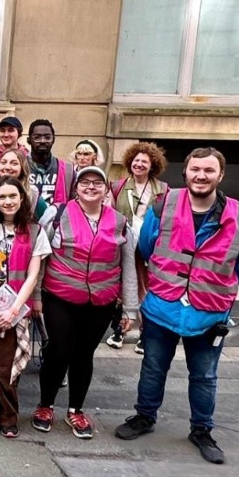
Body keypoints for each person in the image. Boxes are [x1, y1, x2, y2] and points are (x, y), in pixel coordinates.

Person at [115, 147, 239, 465]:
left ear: (220, 175)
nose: (201, 176)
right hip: (162, 305)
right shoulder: (164, 205)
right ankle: (144, 417)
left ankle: (201, 430)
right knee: (153, 368)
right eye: (195, 169)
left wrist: (213, 285)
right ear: (186, 172)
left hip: (209, 312)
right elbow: (148, 248)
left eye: (208, 170)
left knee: (205, 376)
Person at [32, 166, 138, 440]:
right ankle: (45, 405)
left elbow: (128, 266)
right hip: (60, 296)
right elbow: (41, 255)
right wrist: (35, 296)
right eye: (85, 182)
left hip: (101, 301)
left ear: (106, 190)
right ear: (76, 187)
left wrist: (129, 308)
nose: (91, 187)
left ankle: (75, 409)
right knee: (59, 350)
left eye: (97, 183)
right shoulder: (57, 214)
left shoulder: (119, 221)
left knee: (84, 355)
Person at [0, 176, 49, 438]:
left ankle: (8, 415)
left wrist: (12, 311)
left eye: (12, 196)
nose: (7, 201)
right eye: (2, 197)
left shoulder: (35, 231)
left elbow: (32, 275)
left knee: (2, 366)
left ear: (21, 199)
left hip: (15, 309)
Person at [105, 142, 170, 352]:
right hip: (125, 245)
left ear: (152, 165)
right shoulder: (118, 186)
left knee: (147, 290)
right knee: (123, 288)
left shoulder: (164, 190)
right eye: (136, 160)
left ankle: (145, 332)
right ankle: (119, 330)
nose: (139, 164)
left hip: (150, 247)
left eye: (144, 161)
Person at [28, 119, 76, 206]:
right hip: (26, 218)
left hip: (58, 218)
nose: (42, 141)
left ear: (53, 139)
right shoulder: (19, 167)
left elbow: (75, 204)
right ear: (29, 140)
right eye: (37, 137)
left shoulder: (67, 170)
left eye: (47, 137)